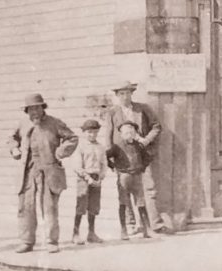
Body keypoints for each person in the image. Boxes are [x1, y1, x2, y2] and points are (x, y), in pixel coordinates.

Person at [8, 93, 78, 254]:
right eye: (31, 109)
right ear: (27, 111)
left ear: (42, 108)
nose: (35, 112)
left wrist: (61, 151)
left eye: (37, 108)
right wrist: (14, 148)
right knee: (26, 207)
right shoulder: (23, 123)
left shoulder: (54, 123)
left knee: (49, 206)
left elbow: (72, 138)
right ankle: (26, 241)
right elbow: (11, 138)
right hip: (28, 170)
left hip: (50, 170)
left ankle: (52, 241)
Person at [106, 81, 167, 233]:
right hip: (122, 156)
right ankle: (131, 223)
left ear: (132, 93)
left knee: (149, 187)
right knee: (125, 190)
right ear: (117, 96)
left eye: (127, 93)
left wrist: (147, 139)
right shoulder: (113, 112)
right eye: (121, 93)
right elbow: (108, 136)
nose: (124, 96)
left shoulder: (142, 109)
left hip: (142, 155)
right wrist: (110, 157)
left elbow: (156, 126)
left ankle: (155, 223)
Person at [107, 121, 153, 240]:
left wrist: (142, 167)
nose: (129, 133)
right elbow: (105, 156)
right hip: (124, 177)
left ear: (135, 133)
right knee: (123, 203)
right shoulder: (116, 146)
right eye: (126, 132)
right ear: (121, 134)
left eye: (131, 131)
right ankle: (124, 230)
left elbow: (148, 157)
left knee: (141, 203)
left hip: (137, 176)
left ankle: (146, 230)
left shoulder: (139, 146)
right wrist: (113, 166)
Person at [71, 119, 107, 245]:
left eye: (95, 132)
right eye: (90, 132)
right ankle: (75, 234)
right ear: (84, 132)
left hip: (96, 178)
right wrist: (88, 178)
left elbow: (104, 163)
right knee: (81, 205)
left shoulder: (100, 147)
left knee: (93, 206)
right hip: (84, 179)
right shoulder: (80, 147)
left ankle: (91, 233)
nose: (92, 135)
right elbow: (77, 166)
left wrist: (101, 176)